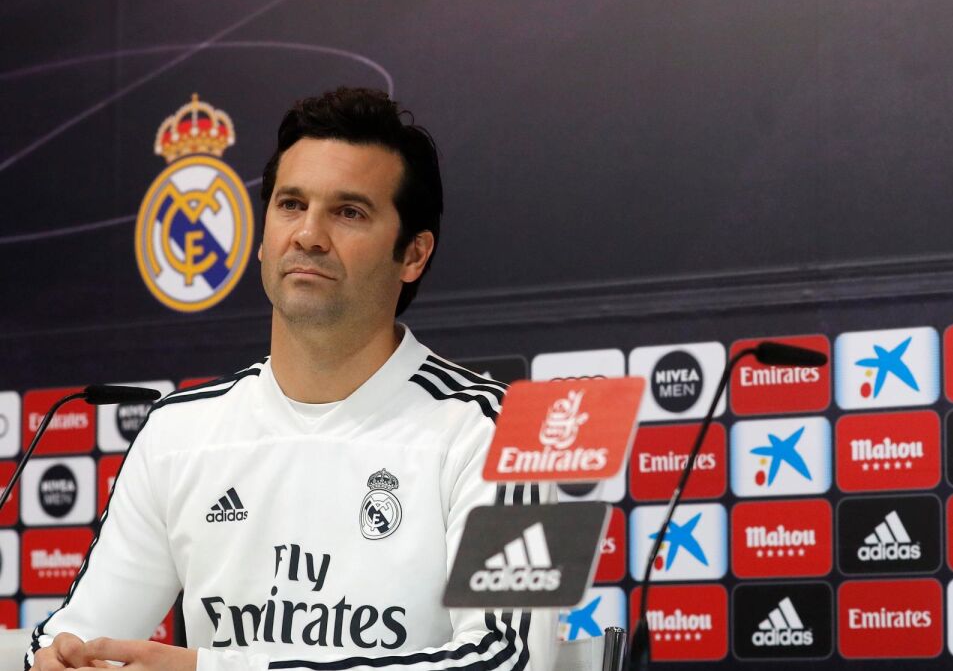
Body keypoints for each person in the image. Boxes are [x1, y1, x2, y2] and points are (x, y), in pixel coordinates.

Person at [27, 87, 556, 671]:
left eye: (349, 212)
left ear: (413, 254)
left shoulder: (507, 435)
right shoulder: (177, 432)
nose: (308, 235)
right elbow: (76, 636)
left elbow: (511, 660)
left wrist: (215, 670)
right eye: (291, 205)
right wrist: (60, 660)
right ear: (262, 238)